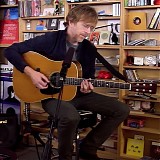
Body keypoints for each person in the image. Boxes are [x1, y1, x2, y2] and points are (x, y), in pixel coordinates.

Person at [4, 5, 130, 160]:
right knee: (71, 117)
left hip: (77, 93)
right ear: (71, 21)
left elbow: (88, 76)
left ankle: (88, 148)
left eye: (91, 28)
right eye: (85, 26)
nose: (88, 32)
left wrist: (86, 88)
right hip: (50, 94)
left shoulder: (89, 48)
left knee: (121, 109)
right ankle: (65, 156)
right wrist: (31, 73)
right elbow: (10, 51)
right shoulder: (51, 39)